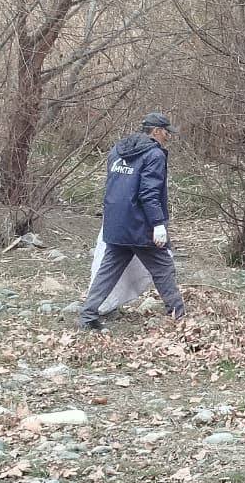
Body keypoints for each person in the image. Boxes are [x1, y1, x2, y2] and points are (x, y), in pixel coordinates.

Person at [79, 113, 186, 331]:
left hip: (115, 223)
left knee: (107, 271)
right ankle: (179, 316)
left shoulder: (117, 150)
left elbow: (114, 186)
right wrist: (158, 224)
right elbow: (149, 193)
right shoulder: (154, 155)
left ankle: (87, 315)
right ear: (156, 131)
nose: (168, 137)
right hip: (140, 225)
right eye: (166, 132)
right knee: (163, 268)